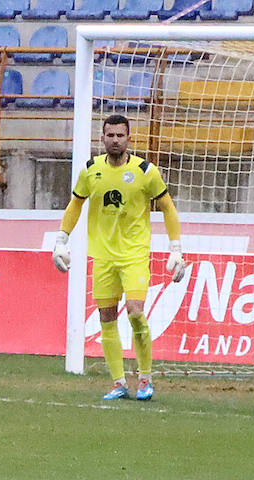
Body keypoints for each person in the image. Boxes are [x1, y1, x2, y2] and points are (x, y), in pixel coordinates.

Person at [52, 114, 185, 403]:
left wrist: (176, 249)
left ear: (128, 138)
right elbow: (75, 204)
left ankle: (146, 379)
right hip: (102, 256)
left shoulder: (145, 171)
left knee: (135, 312)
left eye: (120, 135)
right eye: (109, 135)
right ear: (102, 138)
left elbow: (168, 207)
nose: (115, 140)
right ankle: (118, 382)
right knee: (106, 319)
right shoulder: (91, 170)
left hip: (134, 255)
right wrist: (61, 239)